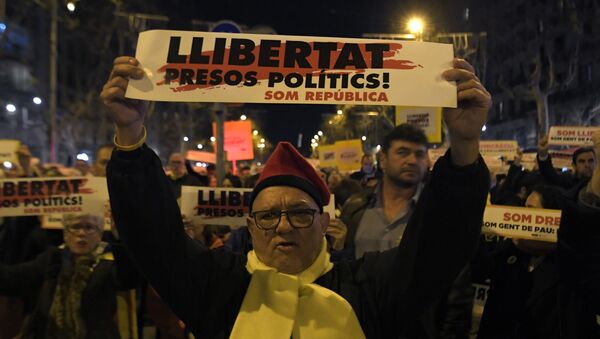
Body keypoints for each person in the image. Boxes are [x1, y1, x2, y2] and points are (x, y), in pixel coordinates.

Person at [101, 56, 491, 338]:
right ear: (250, 228)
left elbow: (439, 248)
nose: (283, 226)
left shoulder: (368, 287)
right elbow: (154, 239)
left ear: (324, 223)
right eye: (268, 216)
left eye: (301, 213)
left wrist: (464, 142)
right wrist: (131, 135)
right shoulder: (218, 287)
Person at [0, 214, 139, 338]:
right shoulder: (52, 259)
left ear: (100, 235)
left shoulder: (107, 264)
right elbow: (12, 279)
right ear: (66, 234)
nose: (81, 233)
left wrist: (120, 239)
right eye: (75, 227)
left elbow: (128, 279)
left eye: (89, 228)